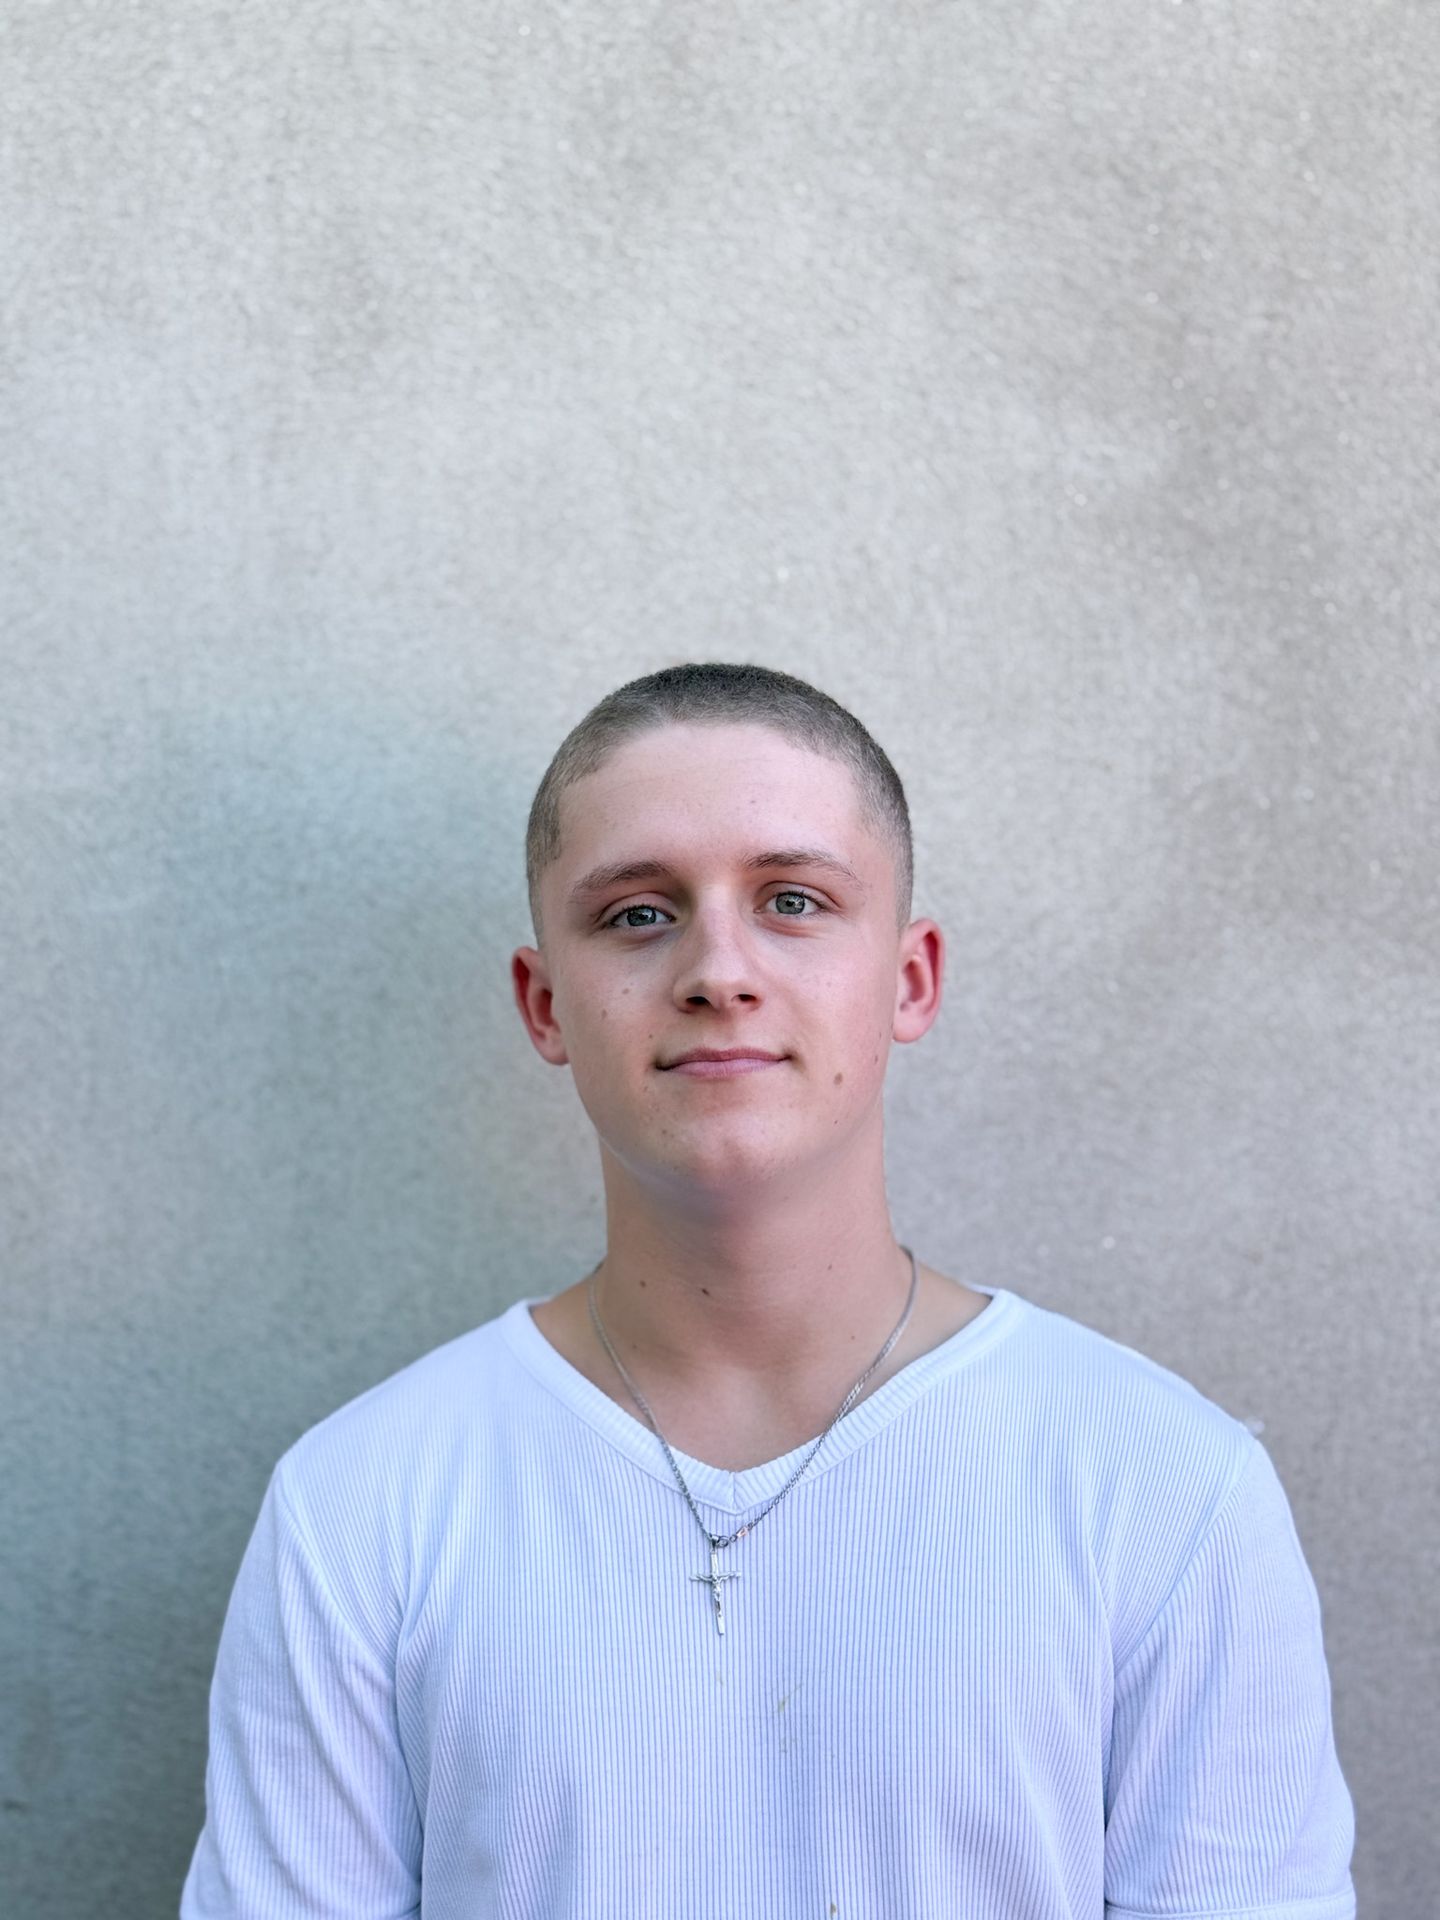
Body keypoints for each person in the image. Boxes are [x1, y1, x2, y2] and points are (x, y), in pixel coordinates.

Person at [181, 662, 1356, 1919]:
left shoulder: (1165, 1489)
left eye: (793, 900)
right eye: (638, 914)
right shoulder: (361, 1505)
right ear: (544, 1003)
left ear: (910, 979)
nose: (719, 970)